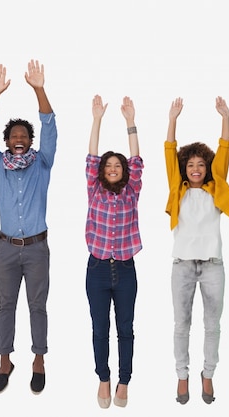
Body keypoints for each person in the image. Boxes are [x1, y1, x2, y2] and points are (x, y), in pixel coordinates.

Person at [0, 59, 57, 395]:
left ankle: (39, 360)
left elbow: (51, 124)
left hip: (37, 247)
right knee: (5, 304)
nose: (20, 139)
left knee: (37, 306)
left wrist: (39, 88)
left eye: (24, 135)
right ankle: (4, 360)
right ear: (8, 141)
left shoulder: (42, 162)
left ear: (30, 140)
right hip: (6, 248)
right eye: (14, 136)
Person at [164, 96, 229, 405]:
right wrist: (172, 119)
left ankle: (207, 374)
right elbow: (168, 151)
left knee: (212, 324)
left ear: (207, 167)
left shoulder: (215, 187)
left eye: (200, 164)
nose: (195, 168)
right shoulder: (177, 188)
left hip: (212, 266)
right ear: (184, 168)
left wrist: (225, 118)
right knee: (182, 325)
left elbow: (224, 150)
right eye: (190, 164)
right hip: (182, 265)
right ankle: (182, 376)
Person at [85, 95, 143, 408]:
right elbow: (91, 157)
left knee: (125, 329)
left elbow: (137, 160)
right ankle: (103, 379)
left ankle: (124, 382)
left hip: (125, 270)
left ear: (123, 172)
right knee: (99, 329)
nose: (111, 168)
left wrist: (130, 122)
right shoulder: (94, 189)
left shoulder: (132, 191)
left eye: (116, 165)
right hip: (96, 269)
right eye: (107, 166)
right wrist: (97, 119)